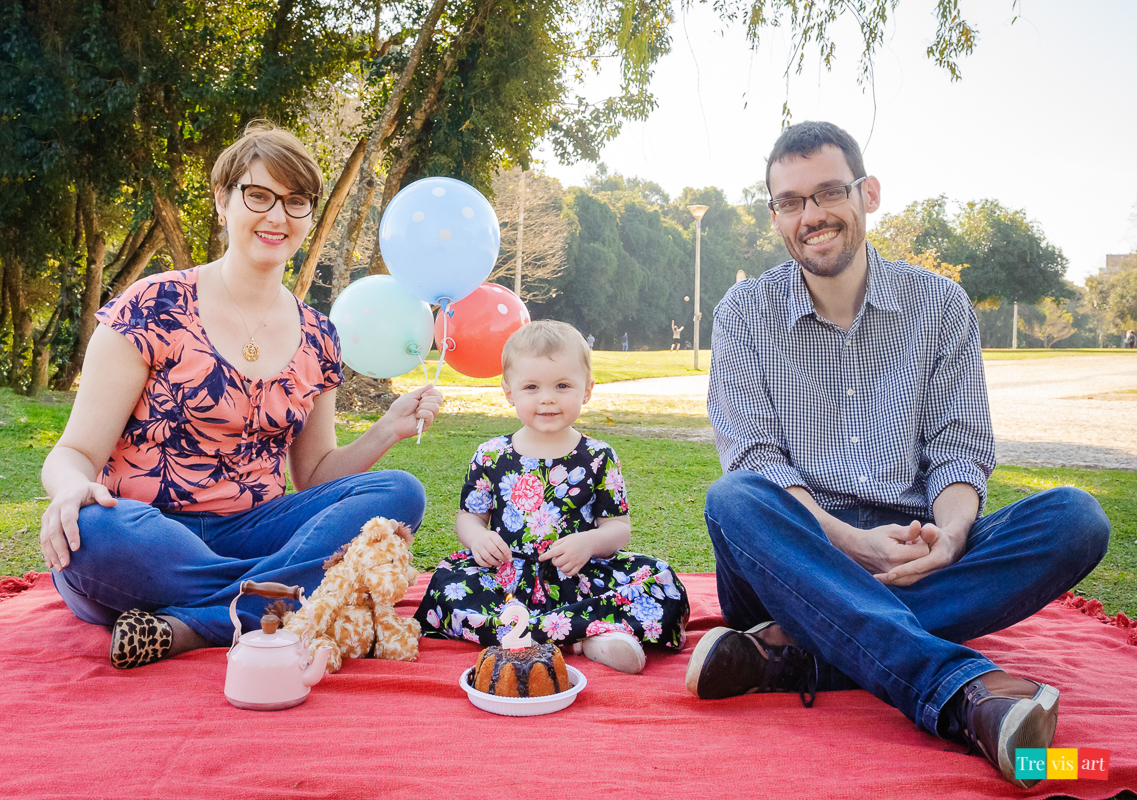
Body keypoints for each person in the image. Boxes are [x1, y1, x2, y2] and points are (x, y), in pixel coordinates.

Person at [685, 121, 1110, 787]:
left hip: (916, 552)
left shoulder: (938, 304)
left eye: (827, 193)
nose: (811, 215)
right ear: (774, 216)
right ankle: (963, 694)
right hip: (795, 552)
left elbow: (957, 450)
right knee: (733, 499)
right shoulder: (743, 312)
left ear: (868, 192)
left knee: (1074, 519)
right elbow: (755, 458)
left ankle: (798, 655)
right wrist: (851, 543)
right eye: (790, 202)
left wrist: (949, 534)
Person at [39, 122, 443, 669]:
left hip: (257, 532)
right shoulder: (154, 304)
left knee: (399, 493)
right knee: (91, 531)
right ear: (222, 200)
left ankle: (201, 621)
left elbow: (316, 475)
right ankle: (274, 600)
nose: (278, 216)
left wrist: (387, 428)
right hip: (147, 538)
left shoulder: (318, 334)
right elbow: (75, 454)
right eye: (259, 195)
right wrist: (68, 489)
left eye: (296, 201)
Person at [414, 320, 689, 673]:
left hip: (579, 576)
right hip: (507, 578)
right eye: (531, 386)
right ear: (509, 391)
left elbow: (618, 527)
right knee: (445, 584)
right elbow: (470, 515)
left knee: (660, 580)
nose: (547, 398)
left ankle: (564, 633)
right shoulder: (491, 454)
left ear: (587, 390)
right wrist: (478, 537)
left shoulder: (598, 457)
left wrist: (589, 543)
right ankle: (580, 635)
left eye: (562, 385)